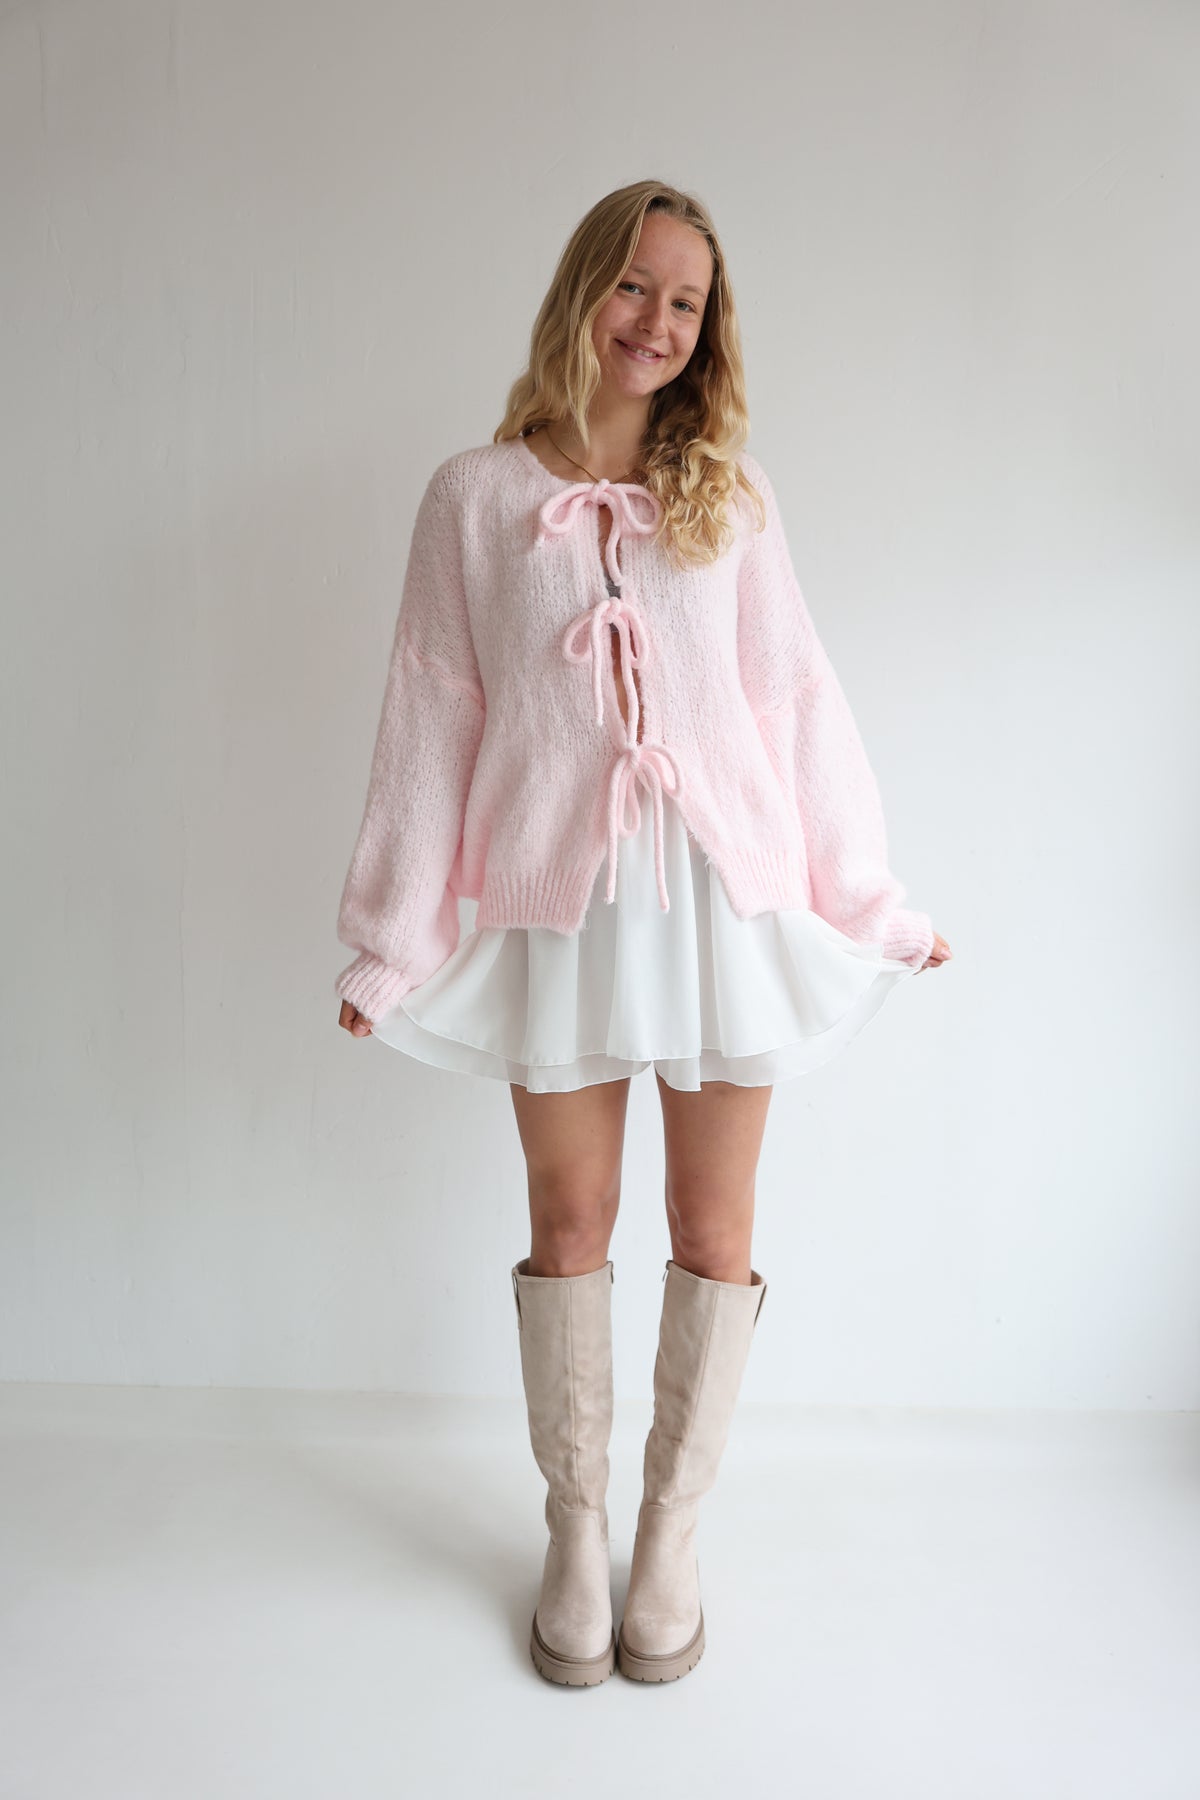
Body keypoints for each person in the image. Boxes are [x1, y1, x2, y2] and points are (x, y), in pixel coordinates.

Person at [332, 179, 953, 1688]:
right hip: (561, 904)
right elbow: (433, 714)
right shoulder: (474, 497)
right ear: (581, 292)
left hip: (723, 902)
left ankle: (669, 1536)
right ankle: (576, 1526)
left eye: (687, 302)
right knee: (569, 1224)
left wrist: (867, 899)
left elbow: (793, 701)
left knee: (714, 1230)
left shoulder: (731, 495)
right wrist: (392, 934)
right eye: (636, 287)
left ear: (707, 329)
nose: (658, 323)